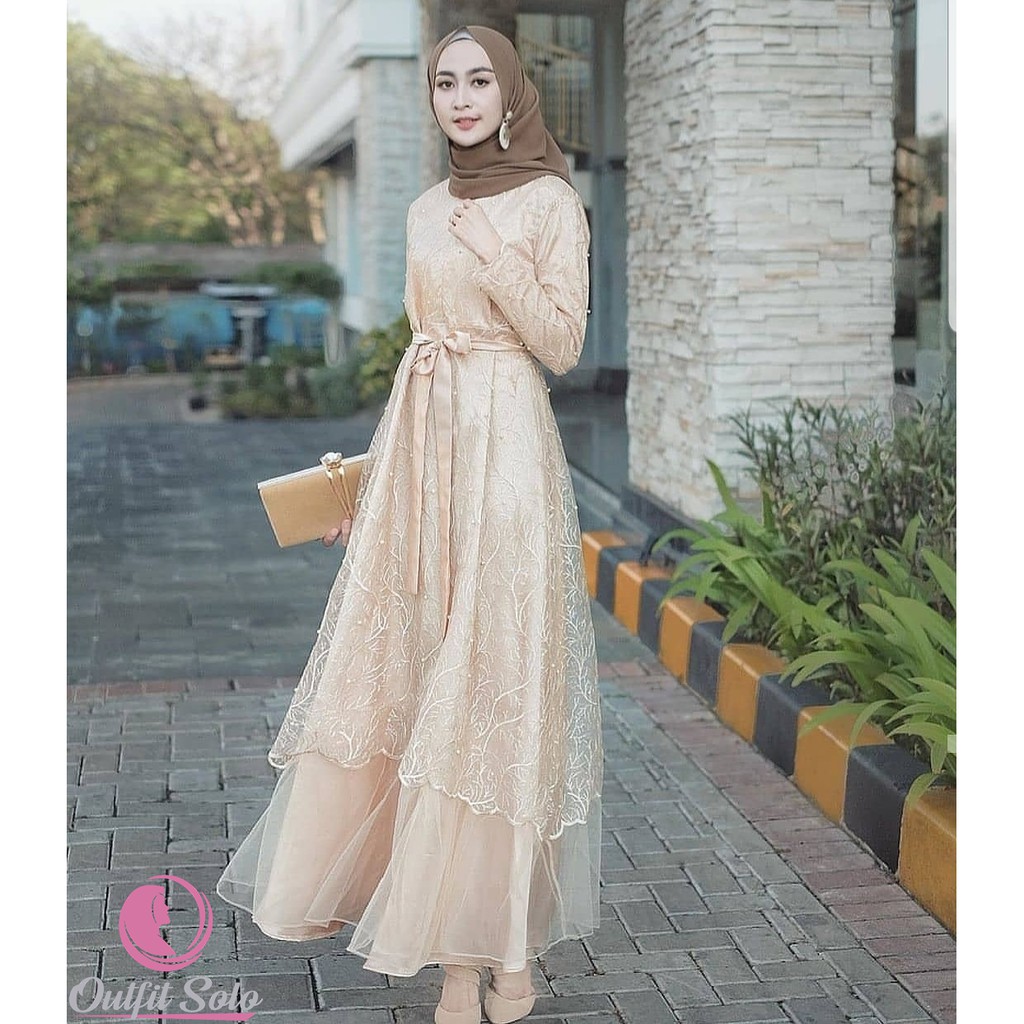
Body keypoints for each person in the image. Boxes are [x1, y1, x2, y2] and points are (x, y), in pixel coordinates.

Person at [215, 24, 603, 1024]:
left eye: (479, 81)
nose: (461, 98)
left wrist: (497, 257)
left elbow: (563, 343)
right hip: (425, 458)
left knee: (495, 695)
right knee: (423, 684)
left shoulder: (550, 201)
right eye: (445, 83)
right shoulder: (425, 208)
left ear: (510, 94)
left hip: (509, 462)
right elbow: (416, 359)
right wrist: (375, 490)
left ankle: (498, 953)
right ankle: (457, 955)